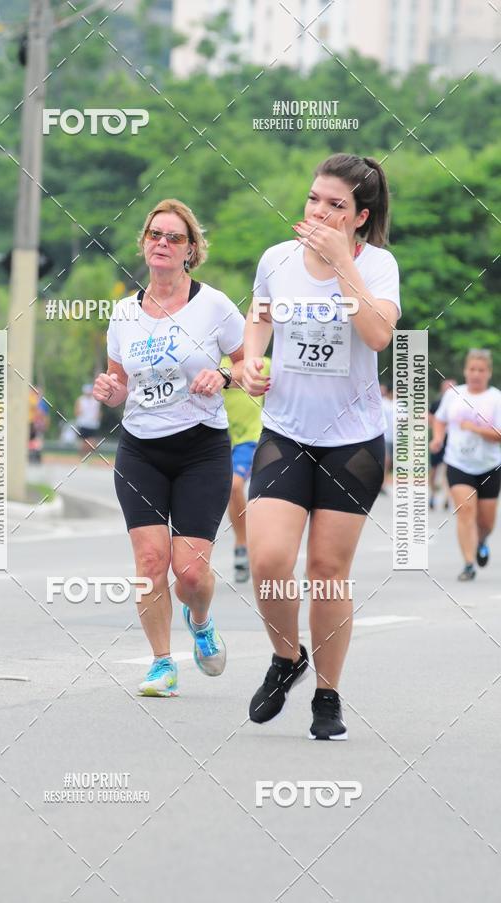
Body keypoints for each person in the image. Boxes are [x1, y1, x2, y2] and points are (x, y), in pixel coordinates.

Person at [243, 153, 400, 740]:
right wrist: (252, 357)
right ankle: (287, 657)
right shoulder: (277, 260)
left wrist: (342, 269)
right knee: (268, 562)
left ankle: (328, 697)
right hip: (285, 432)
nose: (319, 211)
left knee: (328, 571)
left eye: (336, 205)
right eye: (315, 199)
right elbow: (258, 315)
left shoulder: (379, 267)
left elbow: (378, 335)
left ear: (361, 217)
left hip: (352, 443)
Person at [93, 198, 245, 697]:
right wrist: (111, 391)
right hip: (140, 450)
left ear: (191, 250)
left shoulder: (215, 306)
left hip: (201, 450)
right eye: (155, 235)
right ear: (144, 243)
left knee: (191, 571)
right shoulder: (123, 314)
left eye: (174, 237)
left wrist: (222, 374)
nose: (162, 243)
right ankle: (162, 663)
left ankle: (199, 620)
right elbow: (119, 382)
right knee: (151, 563)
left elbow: (252, 368)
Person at [430, 350, 501, 581]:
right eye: (472, 369)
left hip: (489, 466)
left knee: (487, 521)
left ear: (489, 373)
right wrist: (438, 438)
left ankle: (481, 540)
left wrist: (475, 429)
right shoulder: (454, 395)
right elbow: (440, 419)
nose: (476, 374)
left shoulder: (496, 398)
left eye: (481, 370)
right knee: (465, 512)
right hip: (458, 462)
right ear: (465, 371)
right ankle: (469, 563)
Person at [221, 352, 271, 581]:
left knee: (234, 486)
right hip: (222, 439)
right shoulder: (217, 364)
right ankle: (243, 541)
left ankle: (243, 545)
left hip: (252, 439)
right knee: (230, 492)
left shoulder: (265, 364)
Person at [428, 378, 456, 510]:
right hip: (438, 441)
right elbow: (428, 418)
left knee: (447, 472)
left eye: (452, 388)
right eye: (447, 387)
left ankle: (446, 499)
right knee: (433, 471)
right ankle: (432, 496)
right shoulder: (437, 403)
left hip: (452, 443)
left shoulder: (459, 405)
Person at [75, 384, 101, 456]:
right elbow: (76, 412)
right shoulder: (81, 400)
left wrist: (97, 417)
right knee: (83, 442)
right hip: (83, 424)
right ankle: (83, 455)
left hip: (93, 424)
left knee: (93, 443)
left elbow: (98, 412)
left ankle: (86, 455)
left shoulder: (96, 401)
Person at [380, 383, 394, 492]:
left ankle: (383, 481)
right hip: (384, 436)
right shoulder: (382, 403)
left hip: (394, 438)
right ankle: (381, 484)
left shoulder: (399, 404)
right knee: (386, 460)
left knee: (390, 462)